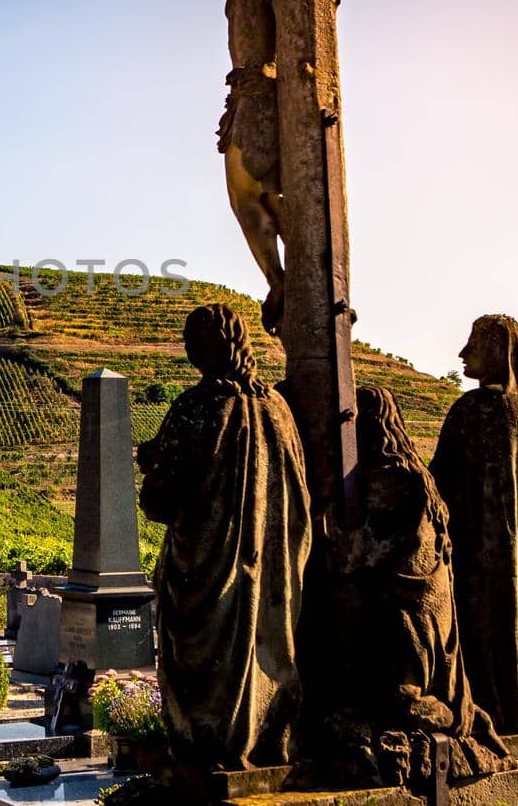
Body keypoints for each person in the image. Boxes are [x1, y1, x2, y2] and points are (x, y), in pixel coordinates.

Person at [163, 0, 372, 335]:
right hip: (305, 98)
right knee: (288, 197)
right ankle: (304, 281)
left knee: (246, 197)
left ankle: (280, 279)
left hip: (256, 94)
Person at [137, 302, 312, 785]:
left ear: (215, 346)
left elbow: (158, 500)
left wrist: (151, 465)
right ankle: (263, 738)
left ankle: (207, 748)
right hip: (269, 573)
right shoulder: (278, 411)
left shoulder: (198, 408)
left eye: (197, 341)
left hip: (203, 574)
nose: (191, 351)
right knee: (264, 652)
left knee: (202, 666)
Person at [324, 387, 512, 786]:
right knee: (417, 676)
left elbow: (370, 552)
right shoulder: (418, 474)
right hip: (433, 604)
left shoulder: (387, 479)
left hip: (406, 603)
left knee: (397, 691)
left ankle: (430, 714)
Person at [429, 315, 518, 734]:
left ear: (495, 351)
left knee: (487, 629)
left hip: (483, 554)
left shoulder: (475, 410)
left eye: (472, 343)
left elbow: (437, 486)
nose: (462, 353)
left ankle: (495, 704)